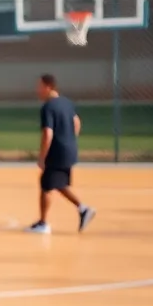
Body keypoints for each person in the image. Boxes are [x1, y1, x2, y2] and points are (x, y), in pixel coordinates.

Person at [28, 74, 97, 234]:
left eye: (39, 86)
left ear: (48, 87)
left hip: (56, 152)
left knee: (46, 184)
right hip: (69, 150)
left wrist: (42, 157)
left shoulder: (48, 107)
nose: (37, 90)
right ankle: (83, 209)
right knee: (58, 184)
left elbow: (48, 133)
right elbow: (77, 122)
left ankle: (43, 224)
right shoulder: (67, 103)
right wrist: (70, 140)